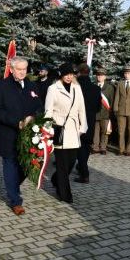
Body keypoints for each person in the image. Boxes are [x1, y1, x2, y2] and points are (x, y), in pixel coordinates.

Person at [0, 57, 43, 215]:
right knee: (11, 165)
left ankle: (13, 185)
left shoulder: (31, 85)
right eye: (19, 69)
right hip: (9, 134)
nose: (22, 72)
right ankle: (15, 200)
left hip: (29, 136)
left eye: (24, 69)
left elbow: (39, 106)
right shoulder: (1, 86)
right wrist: (17, 122)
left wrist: (35, 117)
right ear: (11, 69)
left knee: (28, 166)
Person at [45, 63, 87, 203]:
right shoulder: (53, 89)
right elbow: (48, 110)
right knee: (62, 164)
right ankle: (65, 194)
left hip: (74, 130)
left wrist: (83, 126)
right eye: (66, 74)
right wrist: (48, 128)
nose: (69, 77)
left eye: (71, 74)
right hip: (59, 129)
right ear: (61, 74)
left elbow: (82, 109)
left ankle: (56, 179)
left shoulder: (77, 88)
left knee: (71, 161)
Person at [75, 64, 101, 183]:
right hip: (90, 120)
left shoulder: (75, 86)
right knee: (85, 146)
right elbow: (98, 108)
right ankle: (81, 167)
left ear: (79, 72)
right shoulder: (96, 88)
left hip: (76, 120)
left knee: (78, 147)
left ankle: (84, 173)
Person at [113, 66, 130, 156]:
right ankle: (121, 149)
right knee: (121, 131)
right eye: (125, 73)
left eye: (128, 73)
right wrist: (115, 108)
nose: (126, 75)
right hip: (121, 110)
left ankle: (128, 150)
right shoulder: (120, 84)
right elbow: (117, 97)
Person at [92, 67, 115, 155]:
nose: (99, 77)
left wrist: (111, 112)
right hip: (95, 113)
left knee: (105, 132)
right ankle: (95, 147)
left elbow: (111, 100)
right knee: (95, 131)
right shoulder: (93, 85)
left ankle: (103, 147)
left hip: (105, 112)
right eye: (98, 75)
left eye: (101, 75)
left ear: (105, 77)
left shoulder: (110, 87)